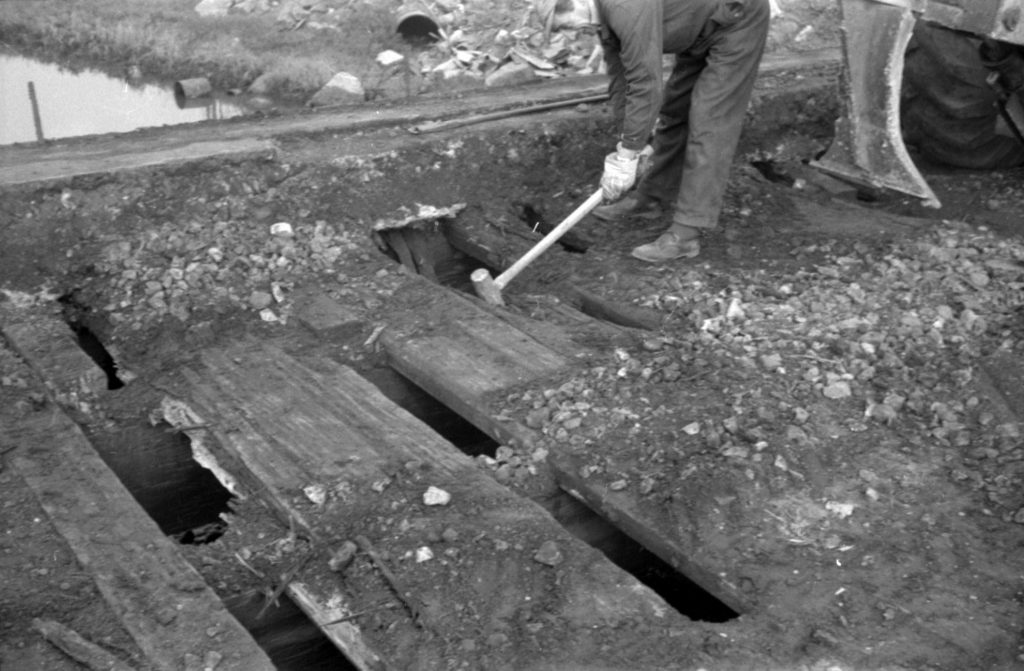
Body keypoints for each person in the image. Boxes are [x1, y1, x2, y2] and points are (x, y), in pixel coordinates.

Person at [539, 0, 770, 262]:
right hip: (697, 32)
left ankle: (686, 233)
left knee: (710, 122)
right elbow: (621, 80)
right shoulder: (603, 19)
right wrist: (630, 142)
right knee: (675, 111)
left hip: (737, 21)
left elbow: (646, 82)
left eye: (566, 26)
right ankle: (651, 198)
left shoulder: (625, 8)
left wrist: (628, 155)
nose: (571, 35)